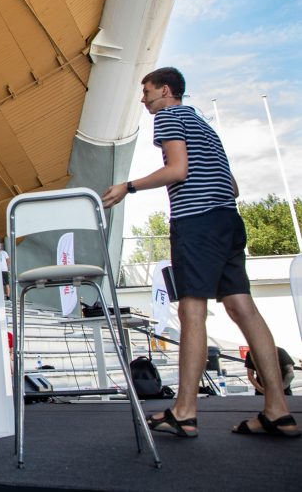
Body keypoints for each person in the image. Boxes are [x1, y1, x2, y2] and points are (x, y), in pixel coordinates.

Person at [102, 66, 299, 438]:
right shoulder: (204, 125)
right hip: (227, 220)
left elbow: (177, 171)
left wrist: (128, 187)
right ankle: (277, 409)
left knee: (192, 310)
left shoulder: (169, 117)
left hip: (196, 222)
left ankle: (184, 411)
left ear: (165, 90)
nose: (143, 99)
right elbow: (233, 186)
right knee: (243, 308)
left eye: (146, 92)